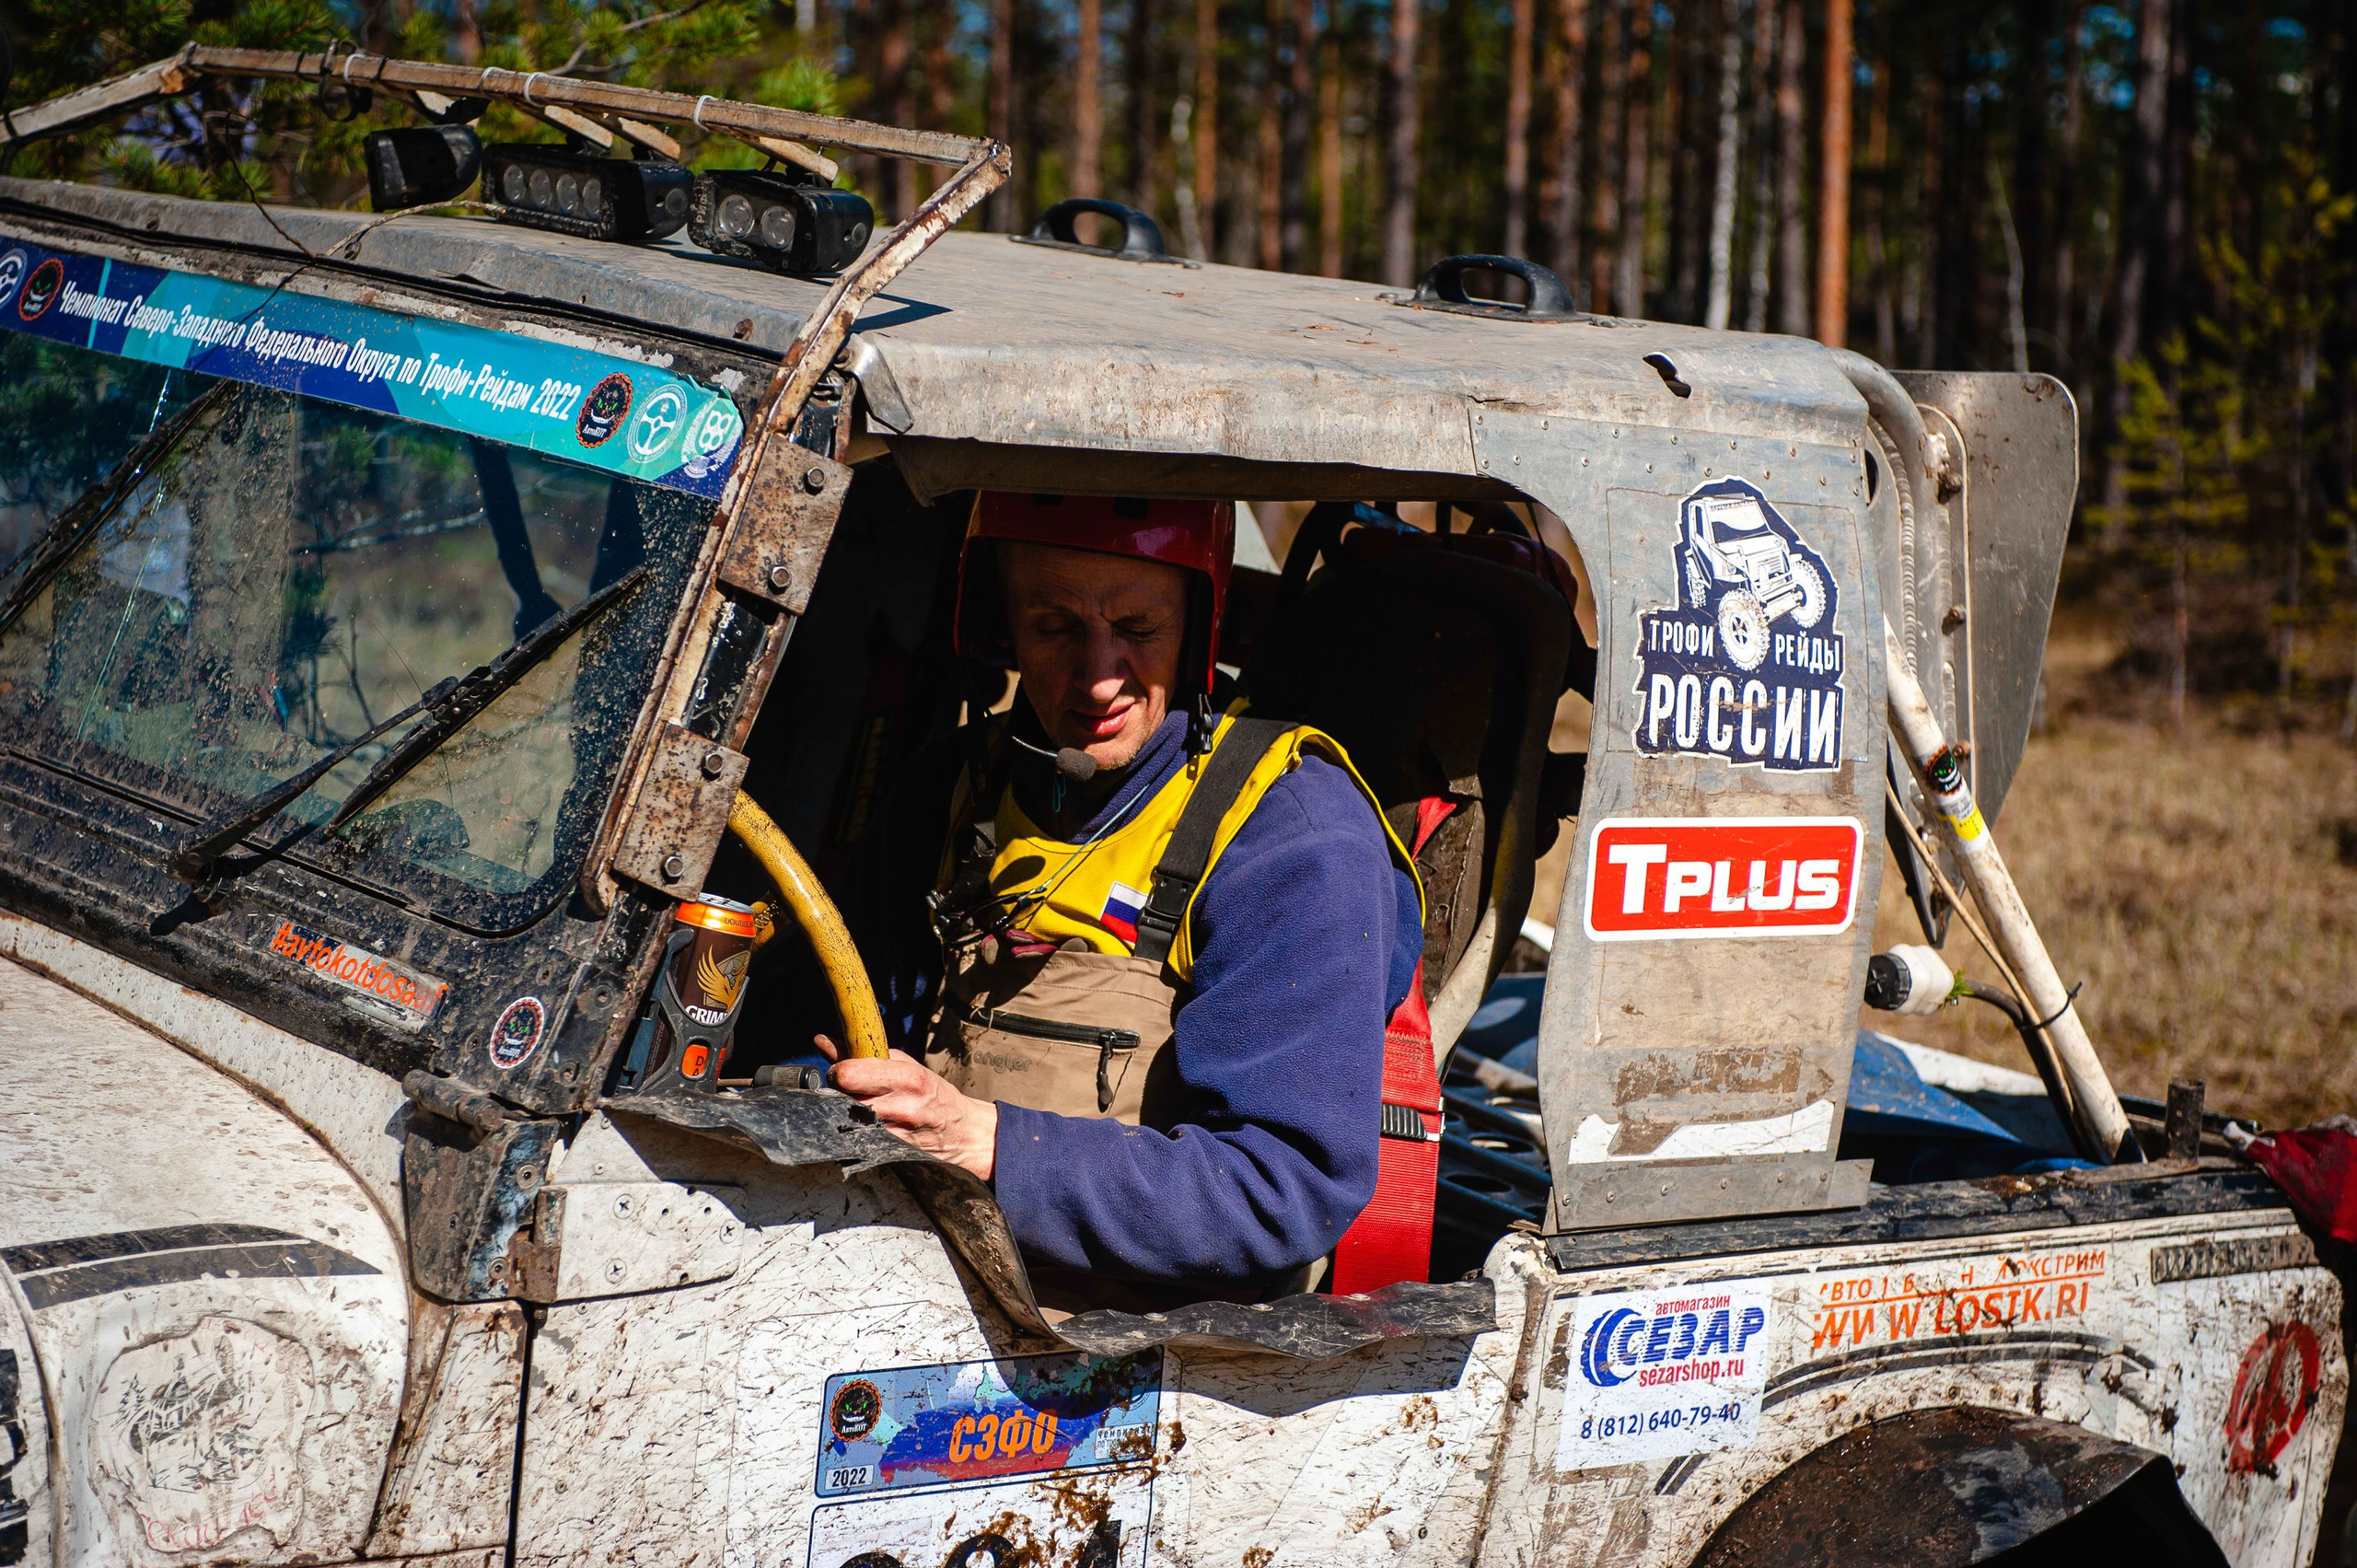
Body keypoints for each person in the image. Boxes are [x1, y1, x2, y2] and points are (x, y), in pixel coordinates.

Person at [822, 492, 1425, 1309]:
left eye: (1138, 629)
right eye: (1054, 625)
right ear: (997, 624)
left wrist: (990, 1144)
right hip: (907, 1286)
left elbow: (1280, 1187)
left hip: (1151, 1360)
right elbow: (829, 1023)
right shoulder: (953, 788)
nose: (1099, 676)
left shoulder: (1293, 836)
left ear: (1199, 629)